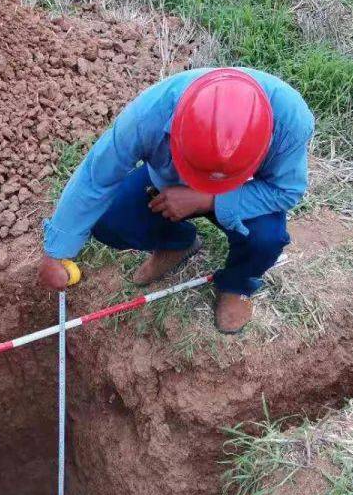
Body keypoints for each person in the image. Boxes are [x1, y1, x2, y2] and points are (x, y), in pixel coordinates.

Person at [38, 68, 314, 334]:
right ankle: (177, 244)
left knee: (267, 239)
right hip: (166, 185)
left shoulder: (288, 119)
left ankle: (237, 284)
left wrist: (207, 199)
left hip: (242, 194)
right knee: (110, 219)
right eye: (199, 170)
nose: (205, 179)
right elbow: (96, 177)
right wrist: (56, 252)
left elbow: (286, 190)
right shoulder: (149, 114)